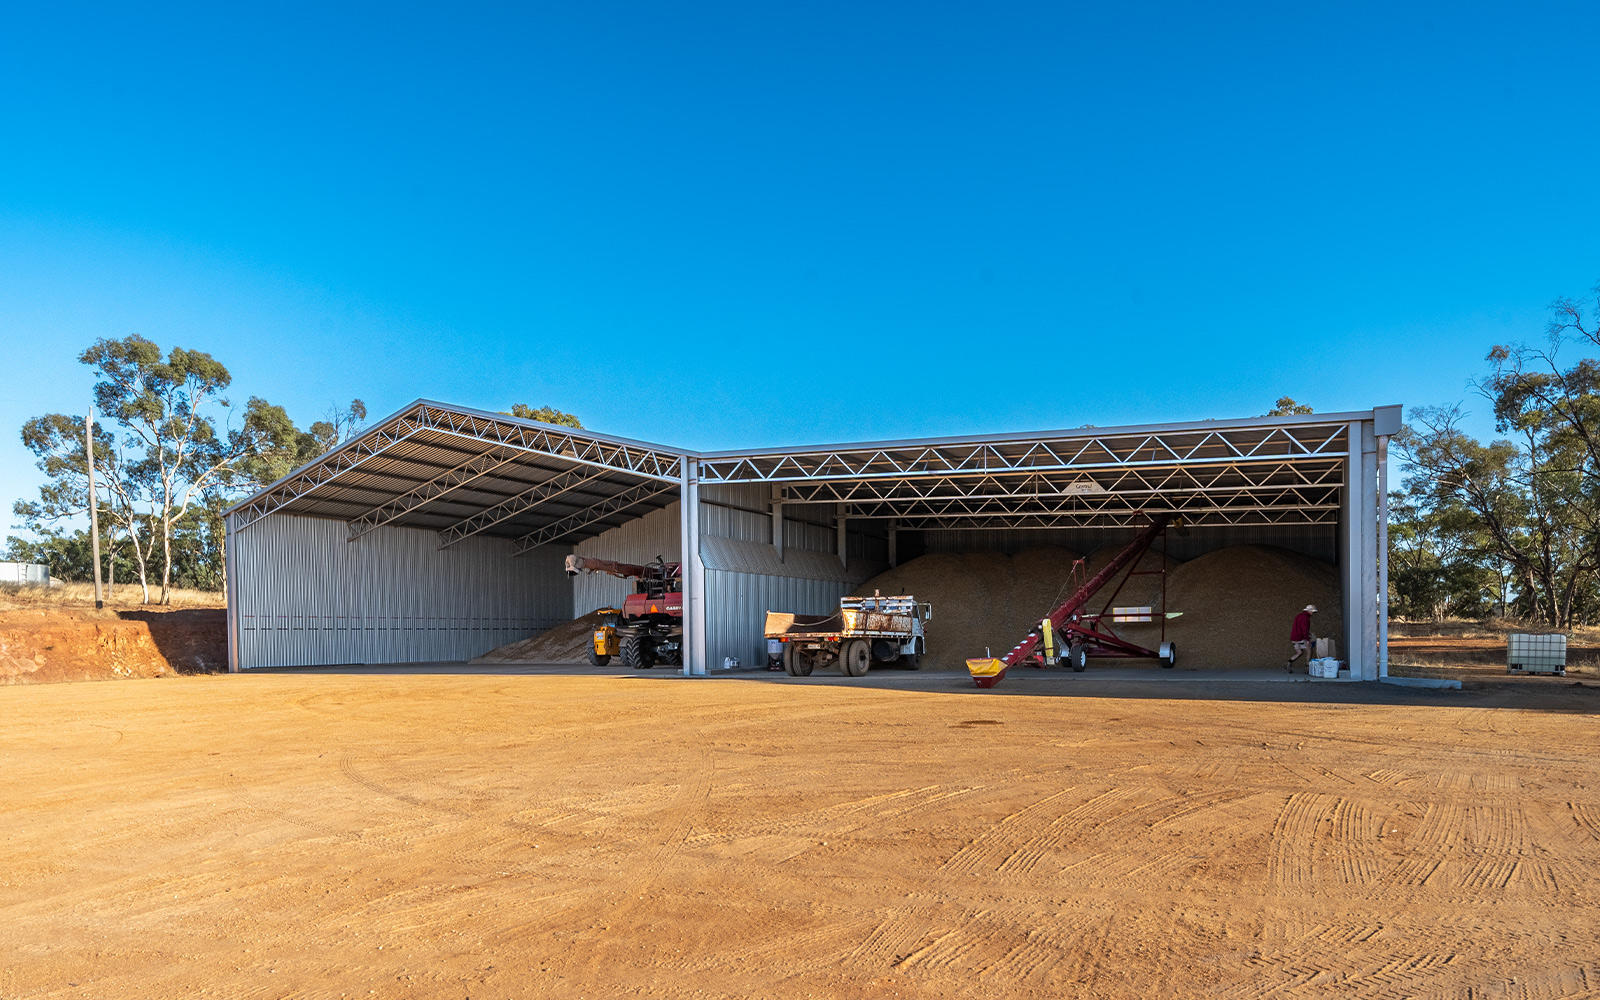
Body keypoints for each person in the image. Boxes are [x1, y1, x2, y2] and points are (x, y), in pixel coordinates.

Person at [1285, 604, 1317, 672]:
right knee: (1309, 651)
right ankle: (1307, 668)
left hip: (1294, 638)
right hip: (1301, 638)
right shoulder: (1306, 618)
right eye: (1312, 612)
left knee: (1299, 652)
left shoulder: (1298, 616)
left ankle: (1289, 662)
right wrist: (1308, 639)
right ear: (1310, 611)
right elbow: (1304, 629)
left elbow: (1298, 627)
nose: (1312, 613)